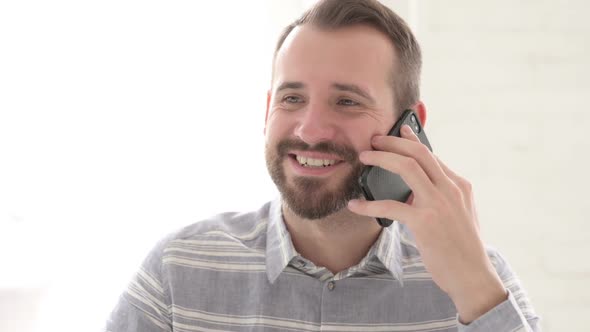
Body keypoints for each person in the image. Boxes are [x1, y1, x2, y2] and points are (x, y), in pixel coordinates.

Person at [105, 0, 541, 331]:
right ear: (267, 112)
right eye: (292, 98)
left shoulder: (480, 280)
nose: (310, 131)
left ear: (410, 127)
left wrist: (477, 291)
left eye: (347, 101)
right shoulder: (178, 269)